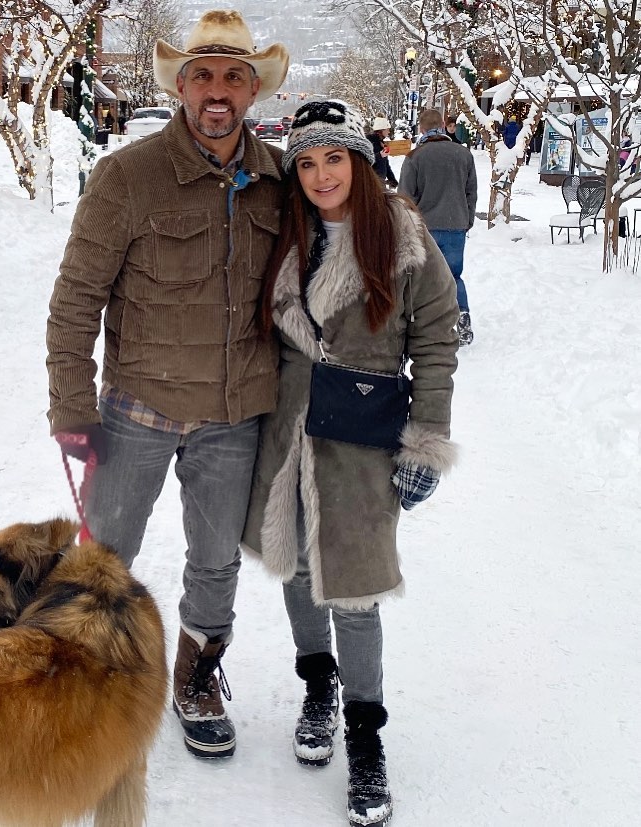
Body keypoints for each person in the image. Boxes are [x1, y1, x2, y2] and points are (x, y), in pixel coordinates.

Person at [46, 10, 289, 759]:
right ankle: (84, 679)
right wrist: (71, 406)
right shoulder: (128, 175)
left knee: (214, 558)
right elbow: (76, 297)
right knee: (105, 553)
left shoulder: (280, 179)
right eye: (203, 75)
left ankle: (196, 674)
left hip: (232, 413)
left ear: (253, 90)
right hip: (135, 409)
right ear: (181, 85)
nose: (218, 91)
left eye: (234, 76)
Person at [243, 100, 459, 827]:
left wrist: (425, 436)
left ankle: (366, 738)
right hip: (284, 430)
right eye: (305, 162)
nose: (320, 174)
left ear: (359, 162)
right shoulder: (284, 234)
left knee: (355, 590)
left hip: (362, 440)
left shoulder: (401, 238)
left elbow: (434, 338)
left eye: (333, 157)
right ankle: (317, 684)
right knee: (298, 567)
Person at [398, 108, 477, 346]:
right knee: (454, 276)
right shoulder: (463, 154)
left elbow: (404, 197)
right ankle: (462, 317)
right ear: (443, 125)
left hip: (425, 228)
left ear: (421, 128)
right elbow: (471, 192)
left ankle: (426, 325)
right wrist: (467, 219)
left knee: (423, 278)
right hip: (456, 226)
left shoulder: (415, 157)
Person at [367, 116, 398, 189]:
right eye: (387, 130)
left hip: (380, 183)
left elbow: (385, 164)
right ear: (381, 130)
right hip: (370, 184)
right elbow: (365, 161)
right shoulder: (369, 142)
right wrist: (379, 155)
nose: (389, 132)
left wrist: (392, 179)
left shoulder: (381, 143)